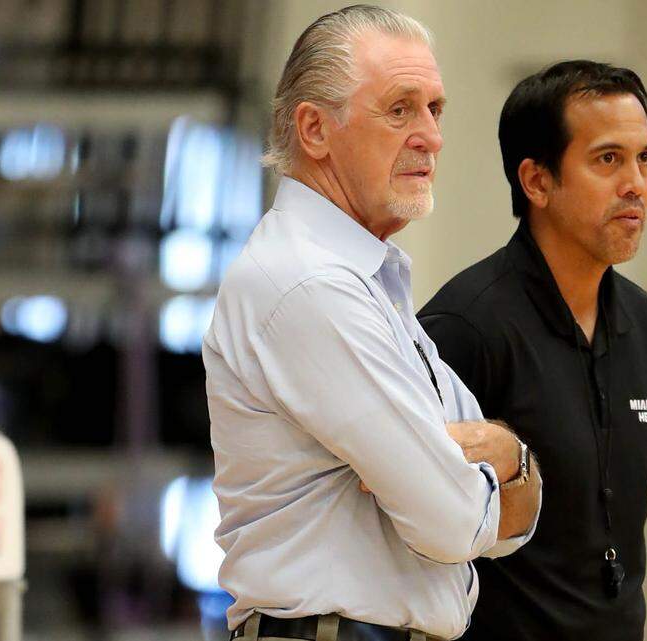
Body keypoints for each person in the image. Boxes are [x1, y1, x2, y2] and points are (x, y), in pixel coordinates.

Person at [204, 6, 541, 641]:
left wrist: (504, 454)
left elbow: (512, 524)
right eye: (400, 110)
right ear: (314, 129)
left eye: (435, 110)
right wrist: (497, 465)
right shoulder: (309, 285)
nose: (431, 137)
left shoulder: (364, 278)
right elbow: (453, 523)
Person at [419, 60, 647, 641]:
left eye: (645, 158)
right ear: (536, 181)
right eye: (607, 160)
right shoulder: (464, 327)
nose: (635, 183)